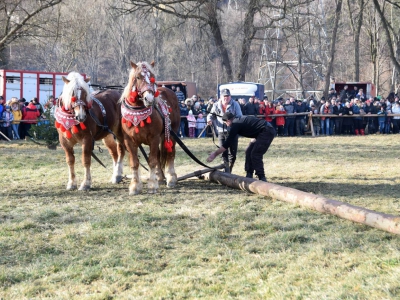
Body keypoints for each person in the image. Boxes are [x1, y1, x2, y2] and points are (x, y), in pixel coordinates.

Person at [207, 112, 275, 182]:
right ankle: (249, 174)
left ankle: (262, 177)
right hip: (261, 131)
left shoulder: (235, 125)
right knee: (248, 151)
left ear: (228, 120)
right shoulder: (238, 120)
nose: (226, 125)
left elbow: (227, 143)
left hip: (266, 131)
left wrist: (215, 154)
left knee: (255, 154)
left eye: (225, 123)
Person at [207, 88, 243, 173]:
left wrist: (231, 120)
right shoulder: (216, 105)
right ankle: (226, 170)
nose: (226, 98)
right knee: (223, 152)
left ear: (230, 96)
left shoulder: (235, 104)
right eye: (224, 96)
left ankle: (229, 170)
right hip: (221, 131)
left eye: (228, 96)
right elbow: (211, 115)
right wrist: (209, 119)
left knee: (233, 154)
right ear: (220, 97)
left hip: (232, 131)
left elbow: (239, 116)